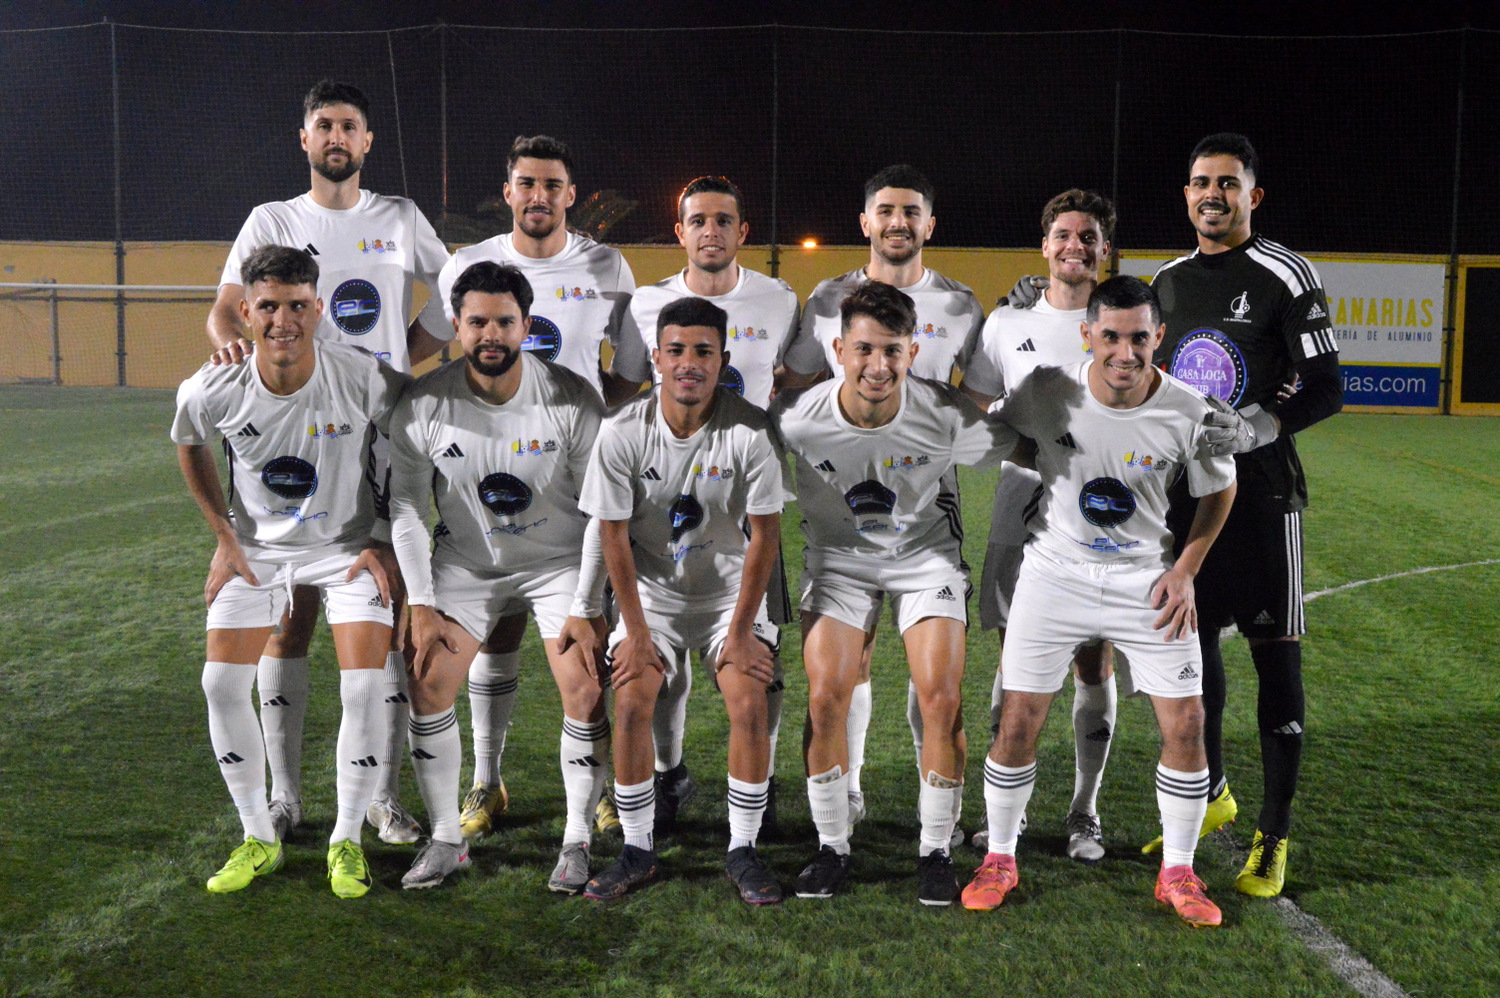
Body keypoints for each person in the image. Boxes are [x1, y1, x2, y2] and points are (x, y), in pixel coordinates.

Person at [207, 79, 452, 847]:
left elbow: (452, 299)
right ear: (305, 139)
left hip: (375, 434)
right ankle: (284, 797)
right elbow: (224, 309)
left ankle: (380, 798)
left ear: (367, 141)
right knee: (287, 617)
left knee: (380, 604)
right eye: (324, 125)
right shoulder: (272, 220)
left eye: (349, 125)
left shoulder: (399, 216)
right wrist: (238, 355)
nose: (337, 136)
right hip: (292, 437)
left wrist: (400, 366)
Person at [961, 276, 1237, 928]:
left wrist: (1187, 569)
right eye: (1110, 336)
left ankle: (1178, 872)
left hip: (1146, 582)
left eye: (1138, 337)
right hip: (1054, 575)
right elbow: (1000, 434)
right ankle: (999, 858)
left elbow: (1219, 490)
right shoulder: (1046, 388)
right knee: (1017, 721)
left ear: (1158, 337)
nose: (1124, 351)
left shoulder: (1190, 410)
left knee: (1188, 723)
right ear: (1088, 335)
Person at [771, 281, 1018, 906]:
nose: (878, 365)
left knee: (941, 698)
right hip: (839, 565)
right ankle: (832, 845)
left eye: (892, 351)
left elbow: (1032, 447)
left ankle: (935, 850)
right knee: (825, 695)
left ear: (913, 352)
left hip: (925, 560)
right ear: (838, 351)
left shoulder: (946, 413)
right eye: (864, 350)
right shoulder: (797, 418)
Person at [174, 245, 408, 898]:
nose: (284, 321)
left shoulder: (360, 374)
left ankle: (346, 841)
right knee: (221, 683)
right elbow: (189, 442)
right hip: (258, 551)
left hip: (346, 548)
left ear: (319, 308)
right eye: (269, 306)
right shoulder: (211, 385)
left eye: (298, 306)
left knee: (363, 689)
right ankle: (259, 837)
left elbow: (408, 439)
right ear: (246, 312)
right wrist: (224, 535)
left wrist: (383, 536)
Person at [1147, 133, 1342, 898]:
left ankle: (1274, 835)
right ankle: (1213, 795)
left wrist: (1259, 427)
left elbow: (1327, 385)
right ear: (1186, 193)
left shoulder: (1284, 274)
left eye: (1228, 184)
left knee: (1275, 662)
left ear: (1252, 196)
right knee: (1191, 656)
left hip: (1262, 500)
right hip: (1183, 501)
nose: (1212, 195)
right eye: (1201, 182)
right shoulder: (1165, 282)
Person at [435, 135, 645, 841]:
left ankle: (604, 790)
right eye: (526, 183)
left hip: (576, 484)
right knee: (496, 630)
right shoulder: (467, 264)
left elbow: (627, 373)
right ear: (508, 191)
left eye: (552, 185)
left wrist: (581, 423)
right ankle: (486, 781)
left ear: (570, 194)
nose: (538, 196)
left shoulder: (606, 265)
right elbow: (438, 347)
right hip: (487, 472)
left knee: (585, 641)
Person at [385, 261, 610, 891]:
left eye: (505, 321)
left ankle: (576, 840)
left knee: (585, 686)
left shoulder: (571, 397)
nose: (491, 334)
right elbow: (406, 507)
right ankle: (445, 840)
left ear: (526, 326)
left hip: (558, 564)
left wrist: (586, 604)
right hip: (467, 563)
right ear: (456, 326)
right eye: (477, 321)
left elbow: (602, 510)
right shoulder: (424, 403)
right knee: (427, 678)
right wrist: (421, 602)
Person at [778, 165, 986, 832]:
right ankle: (849, 795)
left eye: (911, 211)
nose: (898, 222)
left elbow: (977, 399)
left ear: (930, 224)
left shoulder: (959, 303)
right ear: (865, 221)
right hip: (846, 513)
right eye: (886, 211)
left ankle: (937, 820)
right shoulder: (825, 298)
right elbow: (799, 384)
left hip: (925, 513)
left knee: (937, 677)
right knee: (847, 665)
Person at [573, 296, 790, 904]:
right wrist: (637, 631)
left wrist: (742, 631)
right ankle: (637, 849)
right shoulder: (622, 431)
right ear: (656, 359)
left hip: (728, 599)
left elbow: (765, 535)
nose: (688, 363)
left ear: (723, 359)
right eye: (676, 351)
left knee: (748, 701)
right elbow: (613, 535)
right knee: (632, 699)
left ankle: (743, 849)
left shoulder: (750, 430)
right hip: (653, 598)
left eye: (703, 351)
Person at [616, 176, 800, 832]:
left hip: (748, 502)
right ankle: (669, 775)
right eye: (698, 220)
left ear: (742, 231)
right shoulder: (647, 303)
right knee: (661, 660)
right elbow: (627, 388)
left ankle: (760, 783)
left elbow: (799, 380)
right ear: (680, 232)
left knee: (758, 657)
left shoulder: (779, 298)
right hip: (664, 502)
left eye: (724, 220)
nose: (711, 231)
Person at [961, 189, 1120, 862]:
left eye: (1088, 237)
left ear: (1105, 249)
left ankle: (1085, 811)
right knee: (1014, 657)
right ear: (1045, 244)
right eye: (1063, 235)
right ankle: (1010, 810)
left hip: (1099, 511)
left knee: (1092, 660)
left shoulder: (1124, 318)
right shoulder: (1006, 321)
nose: (1074, 246)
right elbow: (974, 401)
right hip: (1020, 505)